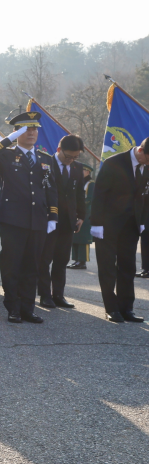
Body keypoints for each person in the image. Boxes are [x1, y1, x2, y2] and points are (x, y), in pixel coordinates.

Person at [0, 111, 58, 324]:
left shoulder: (45, 159)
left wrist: (52, 216)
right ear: (17, 132)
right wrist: (9, 139)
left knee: (32, 266)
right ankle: (13, 307)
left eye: (34, 129)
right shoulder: (6, 155)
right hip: (13, 220)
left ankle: (28, 308)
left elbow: (51, 189)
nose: (32, 133)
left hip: (38, 220)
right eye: (27, 129)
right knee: (12, 265)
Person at [89, 136, 149, 323]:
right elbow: (99, 194)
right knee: (107, 267)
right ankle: (111, 308)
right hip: (107, 224)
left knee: (127, 267)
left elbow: (142, 196)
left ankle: (126, 308)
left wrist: (142, 219)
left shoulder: (145, 166)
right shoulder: (114, 163)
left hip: (131, 225)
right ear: (140, 151)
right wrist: (97, 223)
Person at [37, 135, 87, 309]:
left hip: (68, 221)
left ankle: (58, 294)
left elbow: (80, 194)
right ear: (59, 150)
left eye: (75, 157)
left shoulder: (77, 167)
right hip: (48, 219)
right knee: (45, 258)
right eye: (68, 157)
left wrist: (81, 216)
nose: (71, 160)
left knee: (62, 259)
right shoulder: (45, 163)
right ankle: (44, 295)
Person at [69, 166, 94, 269]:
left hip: (86, 213)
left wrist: (80, 206)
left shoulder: (91, 183)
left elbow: (90, 198)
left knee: (83, 238)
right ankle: (76, 260)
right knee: (75, 237)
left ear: (87, 172)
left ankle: (82, 261)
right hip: (76, 212)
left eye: (82, 170)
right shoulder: (79, 181)